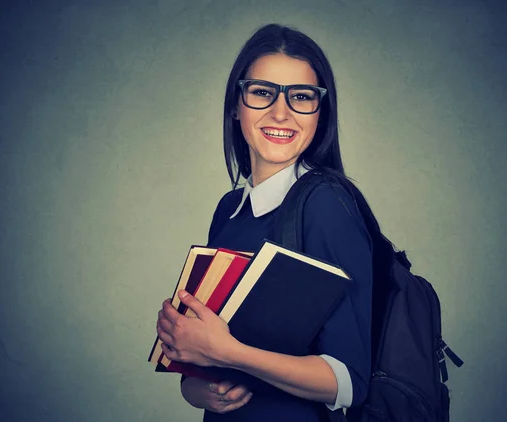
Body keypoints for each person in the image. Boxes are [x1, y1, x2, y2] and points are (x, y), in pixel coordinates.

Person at [156, 23, 374, 422]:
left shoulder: (325, 203)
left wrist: (227, 353)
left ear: (320, 113)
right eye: (262, 92)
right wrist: (198, 384)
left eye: (302, 97)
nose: (281, 112)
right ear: (235, 105)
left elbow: (349, 382)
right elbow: (200, 370)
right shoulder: (229, 209)